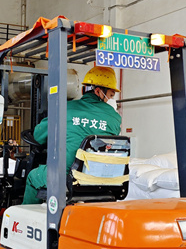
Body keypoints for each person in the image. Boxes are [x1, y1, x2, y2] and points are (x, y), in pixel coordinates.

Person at [23, 66, 122, 204]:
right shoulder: (115, 118)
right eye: (110, 95)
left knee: (33, 176)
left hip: (67, 177)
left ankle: (28, 215)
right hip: (100, 178)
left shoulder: (65, 108)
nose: (110, 99)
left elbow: (39, 136)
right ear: (98, 91)